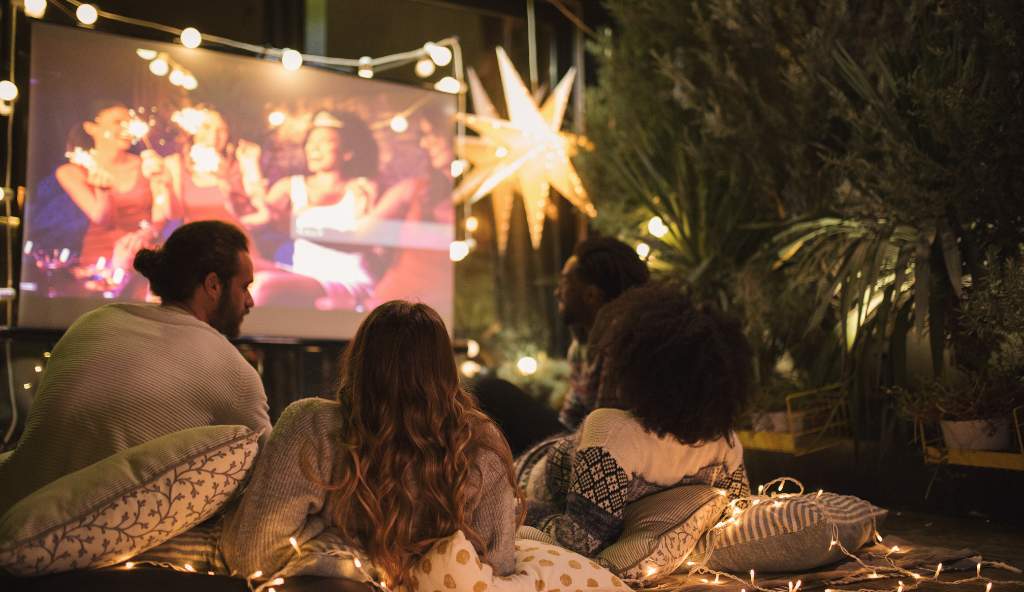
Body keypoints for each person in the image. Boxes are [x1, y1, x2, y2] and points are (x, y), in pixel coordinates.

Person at [222, 301, 518, 587]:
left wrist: (330, 539)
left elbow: (251, 555)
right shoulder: (479, 443)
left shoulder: (311, 426)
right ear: (445, 369)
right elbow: (497, 571)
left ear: (359, 359)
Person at [0, 221, 271, 512]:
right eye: (244, 287)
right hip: (86, 534)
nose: (250, 300)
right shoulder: (229, 367)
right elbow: (274, 470)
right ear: (213, 285)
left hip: (10, 502)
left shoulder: (93, 321)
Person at [516, 283, 753, 557]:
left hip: (525, 479)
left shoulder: (615, 434)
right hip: (540, 463)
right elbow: (739, 515)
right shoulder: (726, 444)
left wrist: (522, 509)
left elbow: (578, 542)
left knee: (491, 391)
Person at [472, 236, 650, 454]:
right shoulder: (581, 343)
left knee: (491, 392)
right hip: (575, 436)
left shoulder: (621, 341)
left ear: (591, 295)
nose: (557, 292)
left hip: (598, 448)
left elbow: (608, 430)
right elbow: (570, 416)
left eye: (565, 283)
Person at [55, 100, 170, 277]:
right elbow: (104, 220)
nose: (126, 128)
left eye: (129, 122)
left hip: (145, 254)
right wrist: (103, 191)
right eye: (117, 122)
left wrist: (147, 233)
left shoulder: (147, 164)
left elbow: (162, 212)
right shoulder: (72, 171)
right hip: (101, 259)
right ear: (91, 127)